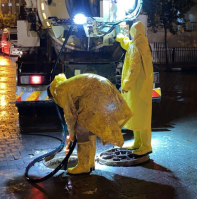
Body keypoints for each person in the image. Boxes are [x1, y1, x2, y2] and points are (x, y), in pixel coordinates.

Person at [47, 73, 133, 175]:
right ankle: (90, 163)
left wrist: (72, 133)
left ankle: (83, 166)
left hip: (96, 92)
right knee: (89, 125)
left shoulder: (59, 90)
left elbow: (70, 114)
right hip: (102, 87)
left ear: (52, 95)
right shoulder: (65, 85)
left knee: (81, 128)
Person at [116, 21, 154, 156]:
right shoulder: (140, 43)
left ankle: (146, 145)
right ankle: (138, 142)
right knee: (138, 114)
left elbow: (134, 68)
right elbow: (129, 45)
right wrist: (121, 38)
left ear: (134, 31)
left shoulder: (137, 45)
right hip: (141, 87)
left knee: (142, 116)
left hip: (138, 87)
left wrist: (126, 84)